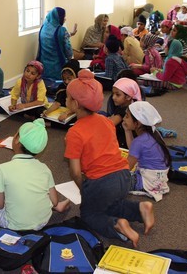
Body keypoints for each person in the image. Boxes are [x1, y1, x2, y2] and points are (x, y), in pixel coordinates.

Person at [64, 69, 154, 248]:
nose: (65, 101)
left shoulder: (74, 132)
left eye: (66, 98)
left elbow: (75, 172)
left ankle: (117, 226)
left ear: (74, 103)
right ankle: (140, 209)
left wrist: (84, 190)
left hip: (101, 182)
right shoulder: (106, 121)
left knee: (89, 214)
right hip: (124, 177)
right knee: (109, 204)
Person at [0, 118, 70, 231]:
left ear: (17, 140)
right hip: (43, 221)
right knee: (41, 194)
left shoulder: (2, 169)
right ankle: (57, 207)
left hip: (15, 224)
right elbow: (54, 201)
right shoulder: (45, 169)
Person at [123, 102, 171, 202]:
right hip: (158, 179)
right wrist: (127, 131)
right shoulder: (154, 132)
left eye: (127, 116)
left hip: (146, 181)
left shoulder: (139, 141)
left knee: (113, 180)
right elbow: (133, 150)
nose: (123, 119)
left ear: (138, 122)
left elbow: (126, 167)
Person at [36, 7, 74, 86]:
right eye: (64, 17)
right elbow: (68, 50)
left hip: (44, 65)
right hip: (58, 66)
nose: (64, 19)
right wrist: (71, 60)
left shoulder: (43, 28)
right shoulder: (61, 30)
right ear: (59, 17)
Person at [108, 77, 142, 149]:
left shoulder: (125, 110)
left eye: (117, 95)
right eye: (113, 94)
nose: (113, 97)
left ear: (128, 97)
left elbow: (109, 124)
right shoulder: (127, 105)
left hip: (123, 145)